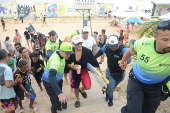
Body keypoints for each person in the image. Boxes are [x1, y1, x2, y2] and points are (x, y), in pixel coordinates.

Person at [119, 20, 170, 113]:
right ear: (155, 37)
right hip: (136, 81)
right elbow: (130, 52)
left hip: (156, 86)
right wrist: (122, 61)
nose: (169, 44)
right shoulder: (143, 44)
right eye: (165, 40)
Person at [95, 35, 131, 107]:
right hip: (110, 73)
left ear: (119, 42)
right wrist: (93, 58)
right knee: (111, 87)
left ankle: (107, 92)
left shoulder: (123, 49)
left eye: (115, 46)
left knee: (112, 87)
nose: (113, 48)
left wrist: (125, 62)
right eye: (111, 47)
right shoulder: (106, 47)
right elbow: (99, 52)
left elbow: (129, 57)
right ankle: (110, 99)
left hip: (120, 75)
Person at [67, 36, 102, 108]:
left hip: (83, 71)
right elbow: (67, 63)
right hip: (74, 72)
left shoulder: (87, 51)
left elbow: (94, 61)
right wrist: (72, 67)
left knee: (88, 87)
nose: (79, 45)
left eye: (80, 43)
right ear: (73, 44)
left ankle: (82, 89)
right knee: (75, 87)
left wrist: (100, 72)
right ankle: (78, 99)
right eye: (77, 43)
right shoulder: (70, 52)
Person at [42, 42, 74, 113]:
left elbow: (63, 65)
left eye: (69, 53)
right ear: (61, 51)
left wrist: (71, 66)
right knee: (56, 102)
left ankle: (59, 107)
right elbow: (51, 76)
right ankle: (54, 110)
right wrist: (59, 93)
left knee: (56, 98)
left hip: (58, 80)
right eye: (67, 53)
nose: (68, 55)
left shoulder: (60, 53)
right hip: (49, 82)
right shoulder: (55, 60)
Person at [0, 49, 22, 113]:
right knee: (10, 110)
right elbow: (8, 85)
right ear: (6, 57)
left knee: (8, 109)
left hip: (1, 94)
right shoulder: (7, 69)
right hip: (8, 95)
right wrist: (16, 81)